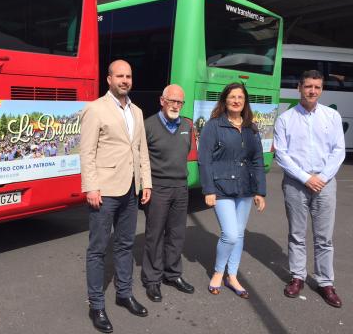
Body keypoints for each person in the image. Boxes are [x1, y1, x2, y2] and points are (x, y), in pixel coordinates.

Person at [80, 59, 152, 333]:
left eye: (129, 76)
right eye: (119, 76)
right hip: (105, 191)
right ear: (108, 79)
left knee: (124, 245)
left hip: (131, 190)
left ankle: (124, 294)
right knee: (97, 249)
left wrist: (146, 183)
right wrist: (91, 187)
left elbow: (141, 150)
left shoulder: (136, 111)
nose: (125, 80)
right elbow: (86, 152)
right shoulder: (95, 109)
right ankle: (96, 305)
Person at [273, 70, 345, 308]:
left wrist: (321, 178)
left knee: (324, 237)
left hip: (325, 184)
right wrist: (306, 178)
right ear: (299, 88)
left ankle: (325, 282)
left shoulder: (332, 116)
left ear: (321, 89)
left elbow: (338, 151)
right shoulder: (286, 119)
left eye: (317, 87)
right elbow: (281, 155)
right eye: (308, 87)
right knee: (297, 234)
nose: (312, 91)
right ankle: (297, 276)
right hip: (296, 183)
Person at [198, 82, 266, 299]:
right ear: (225, 100)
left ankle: (232, 275)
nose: (236, 100)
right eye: (232, 97)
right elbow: (204, 160)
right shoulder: (213, 126)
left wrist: (260, 191)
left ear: (245, 102)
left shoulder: (251, 128)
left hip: (245, 188)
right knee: (229, 233)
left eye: (240, 97)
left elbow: (257, 160)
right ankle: (219, 272)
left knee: (238, 234)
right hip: (221, 187)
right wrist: (208, 189)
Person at [141, 84, 195, 303]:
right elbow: (141, 160)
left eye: (179, 102)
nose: (176, 105)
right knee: (155, 235)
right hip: (158, 188)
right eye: (172, 100)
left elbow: (185, 151)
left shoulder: (186, 125)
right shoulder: (148, 126)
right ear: (162, 101)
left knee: (176, 233)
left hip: (180, 188)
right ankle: (152, 280)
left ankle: (172, 274)